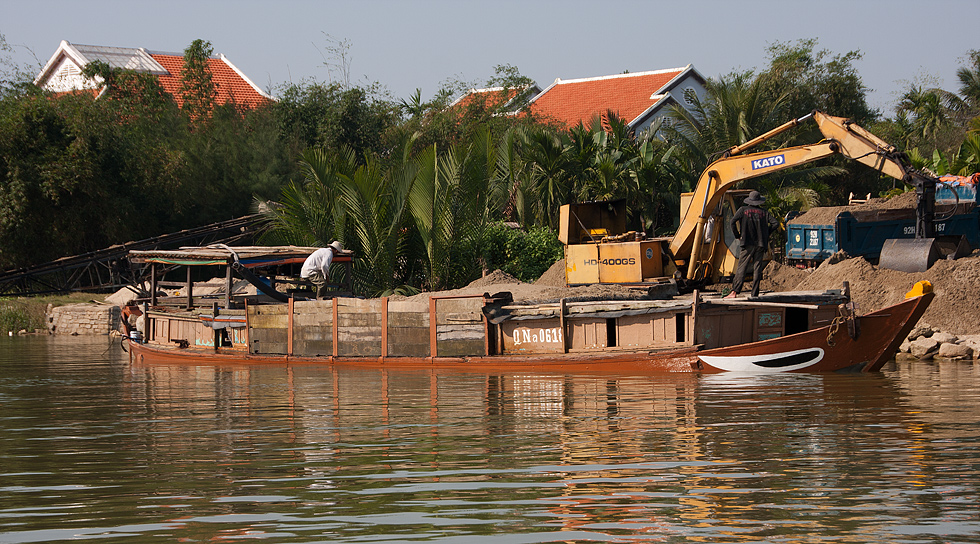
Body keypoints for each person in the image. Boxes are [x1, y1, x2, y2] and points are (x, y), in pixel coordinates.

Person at [725, 191, 779, 298]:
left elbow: (732, 222)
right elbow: (775, 223)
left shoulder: (743, 210)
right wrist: (767, 233)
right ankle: (754, 293)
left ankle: (734, 292)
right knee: (757, 268)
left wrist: (737, 235)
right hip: (760, 244)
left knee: (742, 267)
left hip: (747, 242)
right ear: (759, 201)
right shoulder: (764, 212)